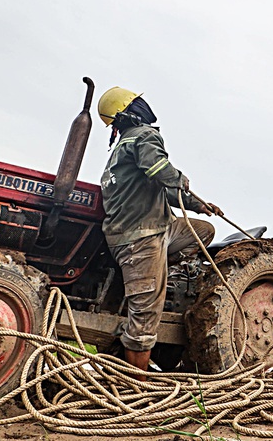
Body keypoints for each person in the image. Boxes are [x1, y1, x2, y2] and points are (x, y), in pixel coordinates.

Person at [97, 86, 224, 371]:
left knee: (202, 232)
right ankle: (136, 392)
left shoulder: (120, 152)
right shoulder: (145, 136)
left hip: (154, 229)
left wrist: (196, 205)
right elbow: (158, 169)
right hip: (140, 238)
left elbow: (158, 188)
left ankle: (166, 272)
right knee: (145, 316)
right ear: (130, 112)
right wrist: (180, 178)